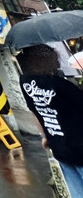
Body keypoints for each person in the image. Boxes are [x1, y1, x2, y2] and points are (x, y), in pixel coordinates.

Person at [16, 44, 83, 196]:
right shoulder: (61, 85)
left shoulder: (25, 82)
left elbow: (34, 112)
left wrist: (44, 136)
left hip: (58, 145)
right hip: (79, 145)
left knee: (77, 191)